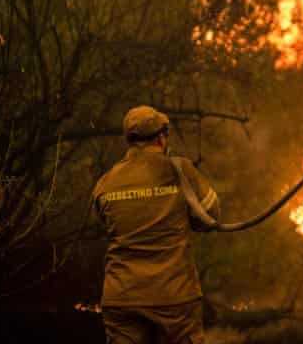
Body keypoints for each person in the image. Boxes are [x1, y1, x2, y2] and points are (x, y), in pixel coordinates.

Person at [92, 105, 220, 344]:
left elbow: (103, 225)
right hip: (174, 298)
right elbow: (211, 214)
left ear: (127, 140)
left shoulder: (105, 182)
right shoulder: (180, 170)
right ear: (161, 137)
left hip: (122, 298)